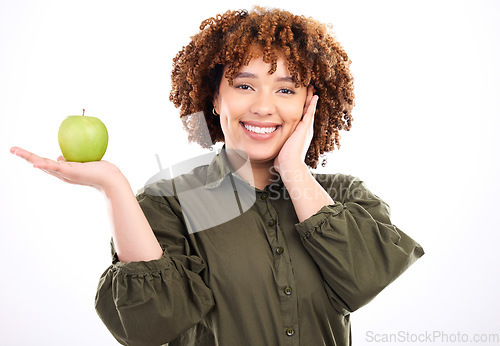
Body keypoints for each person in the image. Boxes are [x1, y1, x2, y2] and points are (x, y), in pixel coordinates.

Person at [10, 6, 424, 346]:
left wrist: (294, 171)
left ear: (310, 103)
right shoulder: (168, 202)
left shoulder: (342, 196)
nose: (263, 107)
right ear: (214, 96)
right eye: (245, 86)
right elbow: (150, 325)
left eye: (285, 89)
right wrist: (114, 186)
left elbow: (367, 279)